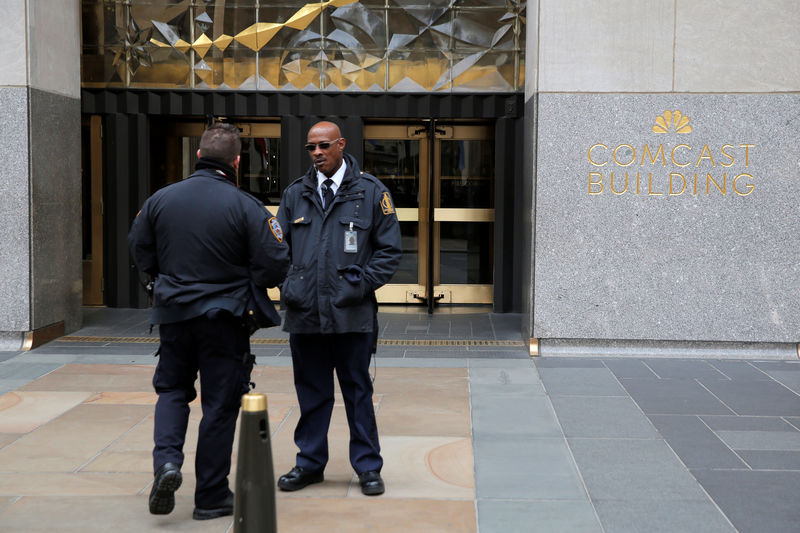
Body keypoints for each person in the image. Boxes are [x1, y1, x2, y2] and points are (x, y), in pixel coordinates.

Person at [128, 123, 290, 519]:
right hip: (225, 320)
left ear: (198, 156)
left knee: (171, 392)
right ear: (236, 161)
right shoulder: (246, 206)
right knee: (219, 406)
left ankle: (166, 463)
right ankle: (212, 496)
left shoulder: (160, 200)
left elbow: (139, 248)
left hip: (174, 316)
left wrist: (159, 283)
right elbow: (275, 263)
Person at [276, 121, 402, 496]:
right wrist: (290, 285)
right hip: (305, 314)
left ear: (341, 145)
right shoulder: (295, 194)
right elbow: (278, 248)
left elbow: (389, 251)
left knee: (357, 392)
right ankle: (310, 464)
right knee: (312, 393)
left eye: (324, 146)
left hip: (352, 315)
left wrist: (359, 285)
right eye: (311, 147)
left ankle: (367, 467)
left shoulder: (370, 192)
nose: (316, 153)